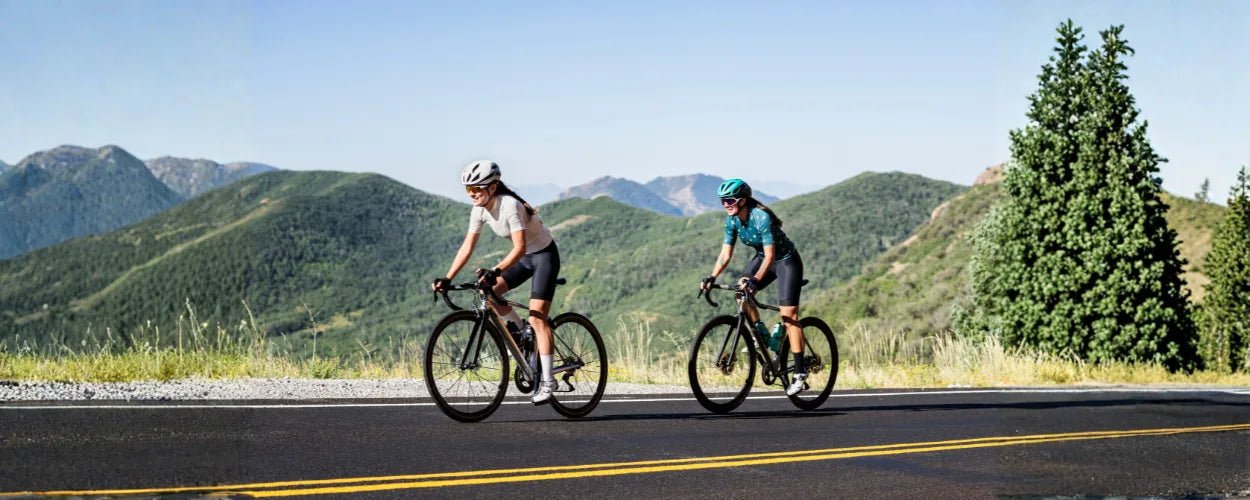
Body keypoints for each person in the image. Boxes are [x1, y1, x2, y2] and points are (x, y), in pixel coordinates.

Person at [431, 160, 562, 404]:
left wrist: (496, 269)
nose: (472, 195)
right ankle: (523, 334)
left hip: (544, 257)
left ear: (492, 188)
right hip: (522, 259)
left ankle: (548, 380)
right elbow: (467, 247)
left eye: (476, 190)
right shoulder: (479, 210)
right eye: (468, 191)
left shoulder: (509, 205)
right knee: (489, 292)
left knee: (537, 318)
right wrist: (448, 278)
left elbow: (520, 247)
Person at [699, 178, 808, 396]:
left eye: (729, 200)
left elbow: (771, 256)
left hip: (786, 261)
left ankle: (799, 370)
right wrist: (711, 276)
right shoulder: (732, 221)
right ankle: (760, 335)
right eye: (722, 201)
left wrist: (756, 280)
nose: (726, 205)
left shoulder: (761, 217)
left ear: (743, 199)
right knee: (741, 292)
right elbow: (725, 254)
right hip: (762, 258)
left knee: (789, 316)